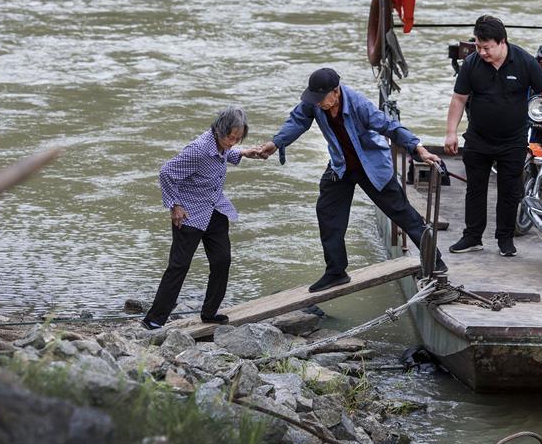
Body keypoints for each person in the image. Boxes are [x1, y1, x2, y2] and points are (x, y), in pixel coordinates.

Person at [255, 68, 448, 292]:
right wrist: (276, 143)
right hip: (341, 165)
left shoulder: (358, 104)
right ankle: (336, 272)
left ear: (336, 91)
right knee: (327, 211)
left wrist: (418, 148)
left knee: (402, 212)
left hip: (371, 165)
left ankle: (435, 261)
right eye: (315, 99)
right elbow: (297, 121)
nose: (318, 103)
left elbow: (389, 126)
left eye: (322, 98)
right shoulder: (315, 103)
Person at [444, 15, 542, 257]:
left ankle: (505, 239)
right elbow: (459, 99)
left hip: (512, 140)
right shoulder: (471, 64)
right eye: (478, 47)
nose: (482, 52)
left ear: (502, 42)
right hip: (478, 137)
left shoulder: (524, 61)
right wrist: (451, 132)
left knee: (510, 191)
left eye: (487, 48)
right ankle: (472, 236)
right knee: (475, 189)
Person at [142, 107, 259, 330]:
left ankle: (209, 312)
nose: (233, 142)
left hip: (215, 209)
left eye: (237, 139)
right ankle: (154, 320)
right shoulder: (197, 150)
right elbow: (166, 173)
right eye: (230, 138)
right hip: (190, 213)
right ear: (218, 130)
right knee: (179, 266)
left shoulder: (223, 145)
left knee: (222, 260)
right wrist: (175, 205)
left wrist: (243, 152)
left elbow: (224, 154)